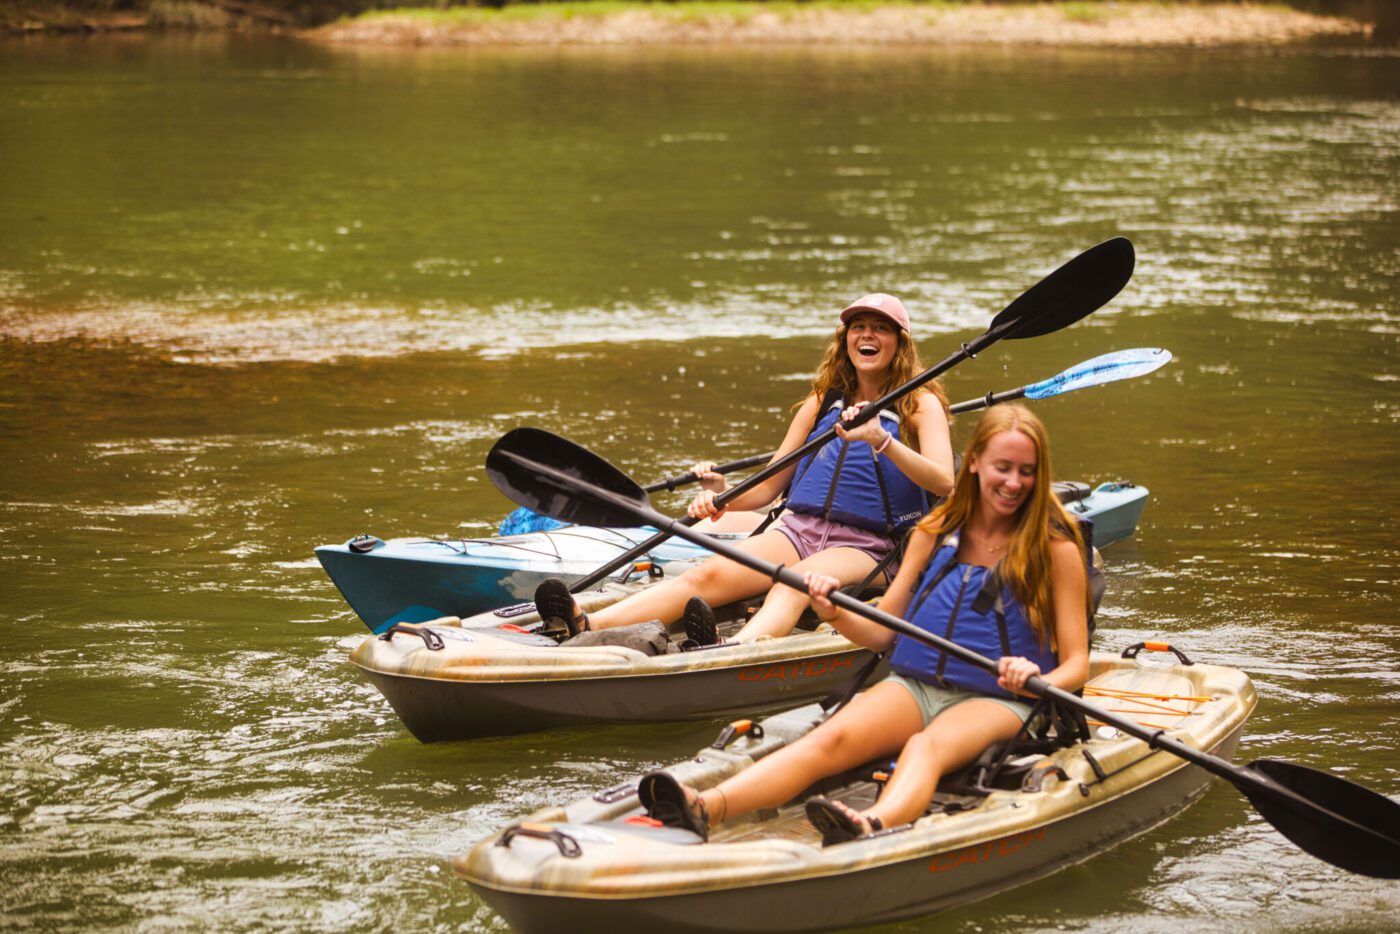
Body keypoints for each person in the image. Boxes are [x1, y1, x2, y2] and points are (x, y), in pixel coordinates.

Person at [637, 403, 1091, 845]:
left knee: (925, 748)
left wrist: (1036, 678)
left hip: (1001, 699)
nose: (1014, 482)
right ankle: (706, 806)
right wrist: (835, 612)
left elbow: (1075, 667)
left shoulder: (1055, 549)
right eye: (1003, 467)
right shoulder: (934, 533)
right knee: (829, 737)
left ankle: (873, 823)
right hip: (917, 687)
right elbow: (882, 632)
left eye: (1026, 471)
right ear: (973, 463)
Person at [533, 293, 956, 646]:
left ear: (899, 343)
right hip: (797, 529)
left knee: (794, 583)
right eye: (858, 326)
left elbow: (944, 481)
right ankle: (584, 622)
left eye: (880, 327)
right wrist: (722, 496)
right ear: (846, 339)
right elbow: (770, 486)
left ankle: (732, 650)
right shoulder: (823, 402)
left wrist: (881, 439)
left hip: (869, 545)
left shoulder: (919, 404)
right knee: (709, 572)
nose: (867, 334)